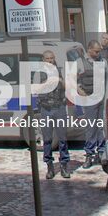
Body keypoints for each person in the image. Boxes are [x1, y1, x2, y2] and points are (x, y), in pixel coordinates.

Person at [32, 50, 71, 179]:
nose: (50, 61)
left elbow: (67, 87)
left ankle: (64, 166)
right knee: (47, 140)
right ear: (43, 60)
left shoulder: (59, 71)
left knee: (62, 138)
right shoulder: (39, 73)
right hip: (46, 109)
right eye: (47, 58)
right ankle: (49, 167)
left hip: (59, 107)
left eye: (52, 58)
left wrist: (59, 80)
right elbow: (35, 89)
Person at [77, 40, 107, 170]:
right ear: (89, 49)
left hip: (101, 98)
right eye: (96, 51)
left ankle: (101, 153)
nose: (98, 53)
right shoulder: (80, 62)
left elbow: (107, 78)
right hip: (89, 99)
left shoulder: (103, 61)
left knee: (100, 126)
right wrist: (80, 91)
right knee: (91, 127)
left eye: (99, 51)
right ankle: (89, 154)